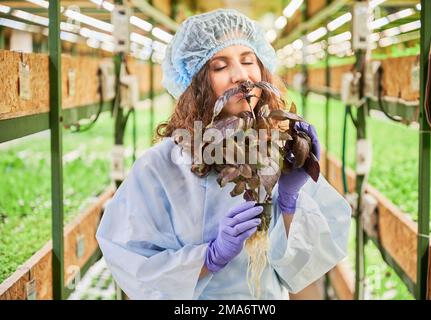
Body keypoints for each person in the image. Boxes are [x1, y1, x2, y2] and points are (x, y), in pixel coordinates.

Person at [96, 8, 351, 300]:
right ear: (195, 82)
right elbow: (131, 261)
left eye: (248, 61)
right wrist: (209, 258)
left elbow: (305, 266)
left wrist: (291, 203)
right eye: (220, 66)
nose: (241, 76)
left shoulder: (279, 151)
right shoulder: (161, 167)